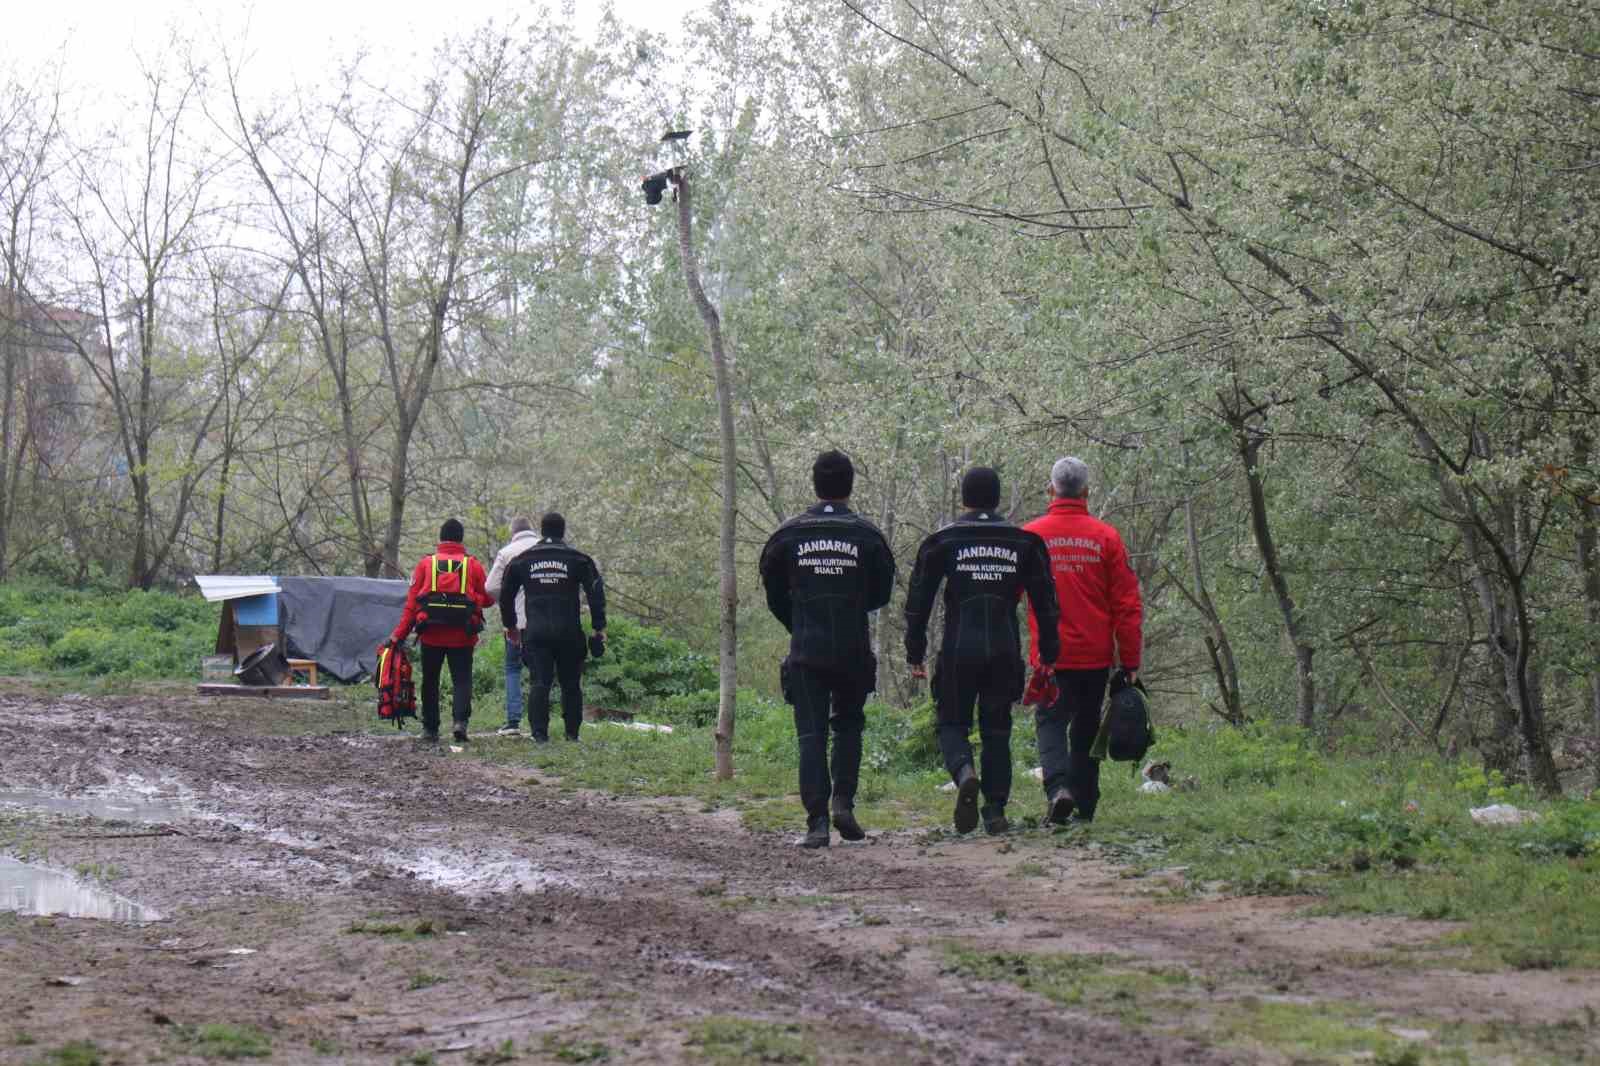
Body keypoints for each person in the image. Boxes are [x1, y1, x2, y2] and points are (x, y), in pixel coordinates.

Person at [904, 467, 1060, 836]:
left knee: (952, 722)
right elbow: (1046, 603)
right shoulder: (1025, 543)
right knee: (997, 730)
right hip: (1004, 647)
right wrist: (1050, 653)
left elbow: (918, 601)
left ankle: (964, 773)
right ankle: (994, 810)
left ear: (964, 498)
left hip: (959, 648)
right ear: (997, 498)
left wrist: (916, 650)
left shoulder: (943, 541)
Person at [759, 450, 896, 849]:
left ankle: (816, 823)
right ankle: (843, 804)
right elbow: (882, 592)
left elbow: (773, 593)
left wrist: (800, 620)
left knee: (811, 734)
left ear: (815, 484)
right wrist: (849, 609)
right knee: (849, 725)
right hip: (853, 647)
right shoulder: (867, 535)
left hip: (807, 648)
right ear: (850, 485)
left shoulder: (788, 535)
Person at [1024, 457, 1144, 824]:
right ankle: (1084, 803)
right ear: (1087, 492)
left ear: (1051, 490)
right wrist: (1130, 660)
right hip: (1094, 656)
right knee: (1086, 729)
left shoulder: (1031, 536)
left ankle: (1058, 788)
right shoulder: (1106, 537)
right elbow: (1127, 604)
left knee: (1050, 723)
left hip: (1050, 655)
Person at [500, 512, 606, 743]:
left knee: (539, 682)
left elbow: (505, 594)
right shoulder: (578, 559)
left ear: (543, 530)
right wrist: (599, 627)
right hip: (569, 631)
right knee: (571, 683)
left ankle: (539, 735)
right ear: (563, 531)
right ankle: (572, 734)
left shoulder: (523, 559)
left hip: (536, 632)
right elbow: (596, 591)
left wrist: (511, 626)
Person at [389, 518, 495, 744]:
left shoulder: (426, 564)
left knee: (430, 680)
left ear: (441, 538)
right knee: (462, 680)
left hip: (431, 634)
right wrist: (472, 597)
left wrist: (398, 635)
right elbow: (487, 600)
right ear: (461, 539)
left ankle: (430, 729)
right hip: (463, 635)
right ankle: (459, 723)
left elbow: (411, 605)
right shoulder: (472, 565)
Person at [485, 516, 541, 737]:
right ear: (533, 531)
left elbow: (490, 587)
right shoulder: (545, 549)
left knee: (513, 669)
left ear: (513, 533)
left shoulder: (507, 552)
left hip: (516, 622)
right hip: (543, 620)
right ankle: (540, 723)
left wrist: (507, 598)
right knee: (540, 671)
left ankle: (513, 722)